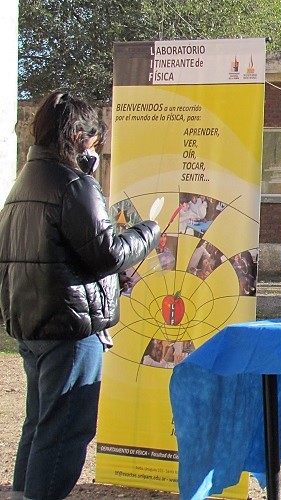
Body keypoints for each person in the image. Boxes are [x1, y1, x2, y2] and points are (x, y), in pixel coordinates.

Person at [0, 91, 160, 500]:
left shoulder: (23, 184)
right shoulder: (75, 185)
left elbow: (59, 254)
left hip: (33, 325)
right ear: (76, 137)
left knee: (39, 426)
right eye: (92, 143)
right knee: (65, 431)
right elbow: (107, 252)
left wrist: (107, 282)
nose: (95, 152)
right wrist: (149, 230)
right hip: (71, 331)